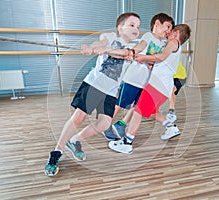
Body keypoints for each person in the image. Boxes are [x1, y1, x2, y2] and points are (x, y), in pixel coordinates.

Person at [44, 12, 141, 176]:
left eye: (138, 27)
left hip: (111, 91)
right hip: (95, 84)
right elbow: (99, 42)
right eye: (131, 25)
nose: (136, 29)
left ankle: (75, 141)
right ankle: (57, 151)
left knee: (104, 124)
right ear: (120, 27)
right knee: (79, 117)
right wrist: (93, 48)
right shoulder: (109, 36)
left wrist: (104, 50)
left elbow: (124, 53)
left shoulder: (136, 46)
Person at [108, 24, 191, 154]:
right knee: (149, 111)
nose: (167, 32)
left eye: (170, 30)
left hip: (158, 85)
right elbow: (161, 61)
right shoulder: (172, 47)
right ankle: (170, 127)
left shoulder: (174, 42)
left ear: (176, 33)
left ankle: (127, 142)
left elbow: (161, 57)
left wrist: (144, 58)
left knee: (138, 110)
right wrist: (147, 62)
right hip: (162, 86)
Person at [102, 13, 174, 141]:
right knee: (120, 104)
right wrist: (133, 51)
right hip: (133, 80)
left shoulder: (163, 44)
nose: (168, 31)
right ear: (157, 24)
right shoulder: (149, 36)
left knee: (137, 107)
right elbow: (141, 46)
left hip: (146, 82)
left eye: (171, 28)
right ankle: (105, 125)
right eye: (167, 26)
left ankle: (121, 126)